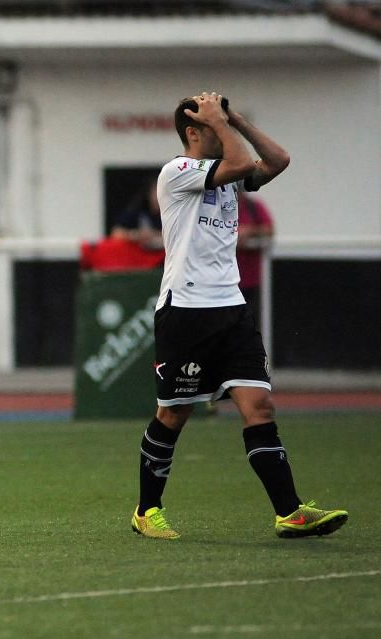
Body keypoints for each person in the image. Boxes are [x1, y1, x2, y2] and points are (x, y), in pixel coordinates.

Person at [131, 92, 347, 540]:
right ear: (193, 133)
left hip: (230, 309)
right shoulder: (177, 172)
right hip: (186, 312)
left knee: (260, 406)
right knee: (174, 414)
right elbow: (241, 162)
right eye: (211, 124)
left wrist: (237, 120)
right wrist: (224, 128)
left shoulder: (229, 173)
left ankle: (288, 512)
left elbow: (279, 159)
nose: (221, 129)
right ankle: (146, 510)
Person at [236, 189, 274, 319]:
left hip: (251, 281)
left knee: (251, 320)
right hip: (223, 282)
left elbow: (269, 229)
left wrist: (249, 231)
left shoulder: (253, 207)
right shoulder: (216, 209)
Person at [110, 180, 163, 249]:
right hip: (138, 255)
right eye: (156, 192)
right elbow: (116, 233)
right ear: (148, 193)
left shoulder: (173, 214)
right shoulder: (137, 212)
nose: (160, 195)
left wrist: (155, 234)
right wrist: (137, 235)